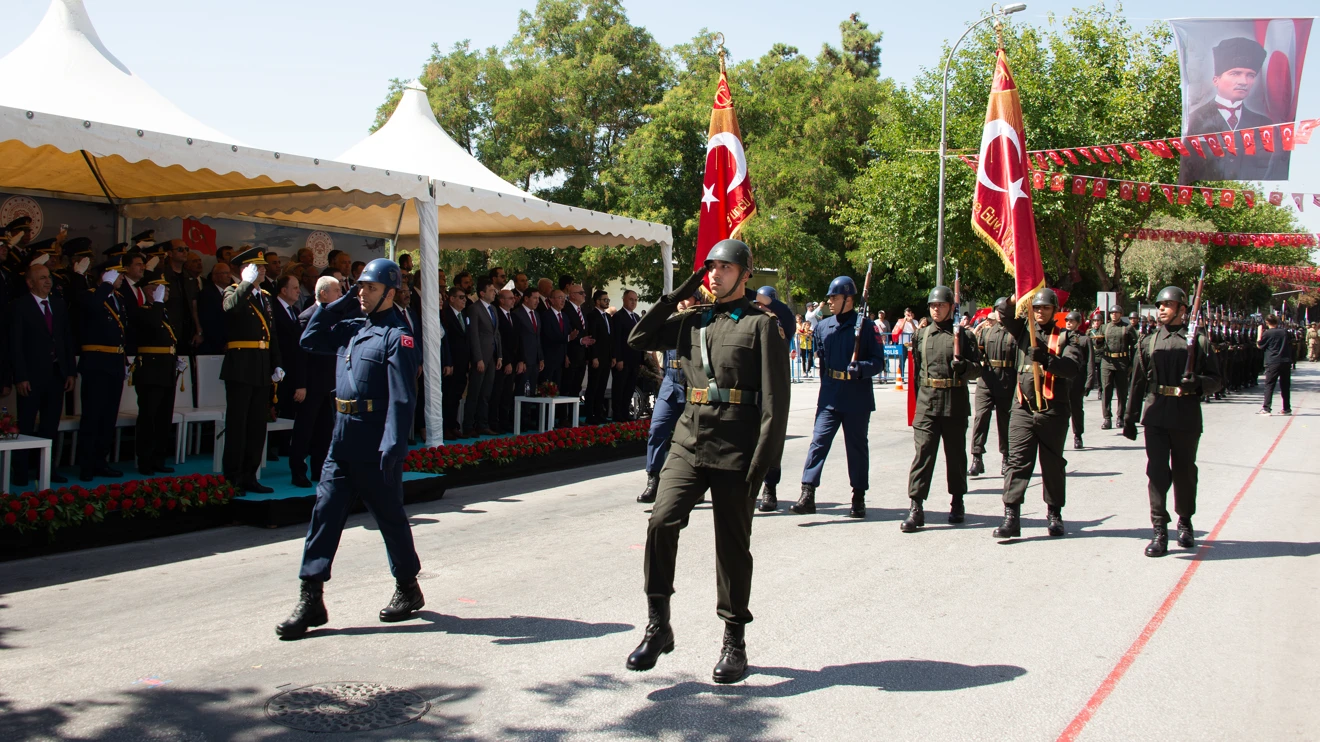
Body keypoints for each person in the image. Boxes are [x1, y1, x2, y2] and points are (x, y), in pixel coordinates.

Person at [624, 239, 790, 685]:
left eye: (724, 268)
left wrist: (760, 468)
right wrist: (680, 291)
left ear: (744, 274)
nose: (715, 274)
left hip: (737, 448)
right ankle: (659, 625)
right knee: (661, 521)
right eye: (710, 268)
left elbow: (776, 404)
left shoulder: (762, 326)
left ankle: (734, 639)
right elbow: (638, 337)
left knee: (731, 545)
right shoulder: (691, 319)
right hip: (689, 441)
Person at [276, 259, 424, 639]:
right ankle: (311, 597)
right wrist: (339, 304)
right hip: (341, 437)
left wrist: (394, 445)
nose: (361, 293)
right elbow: (309, 339)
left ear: (390, 293)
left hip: (374, 442)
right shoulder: (353, 326)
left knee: (389, 516)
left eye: (370, 288)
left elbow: (403, 398)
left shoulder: (398, 335)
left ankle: (408, 586)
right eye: (359, 287)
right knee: (323, 516)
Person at [1123, 286, 1223, 556]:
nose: (1162, 309)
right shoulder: (1148, 342)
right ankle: (1159, 530)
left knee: (1184, 472)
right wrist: (1129, 418)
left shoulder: (1198, 341)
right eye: (1160, 305)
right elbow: (1137, 382)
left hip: (1186, 413)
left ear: (1182, 309)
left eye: (1168, 304)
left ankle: (1185, 521)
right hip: (1156, 413)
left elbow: (1217, 380)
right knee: (1156, 473)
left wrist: (1199, 383)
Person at [788, 276, 884, 518]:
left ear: (848, 299)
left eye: (834, 297)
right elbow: (821, 357)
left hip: (857, 395)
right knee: (818, 442)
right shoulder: (823, 326)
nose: (830, 301)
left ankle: (858, 496)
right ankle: (807, 492)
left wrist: (862, 367)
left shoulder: (866, 326)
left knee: (856, 448)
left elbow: (879, 362)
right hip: (830, 396)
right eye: (829, 297)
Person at [993, 289, 1086, 540]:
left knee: (1052, 464)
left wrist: (1047, 358)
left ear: (1055, 310)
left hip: (1052, 411)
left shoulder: (1067, 338)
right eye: (1035, 308)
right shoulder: (1024, 330)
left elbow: (1072, 368)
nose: (1040, 312)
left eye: (1045, 308)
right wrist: (1019, 293)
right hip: (1023, 409)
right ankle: (1011, 516)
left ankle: (1054, 513)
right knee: (1017, 462)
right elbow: (1003, 310)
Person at [901, 286, 979, 531]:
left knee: (955, 457)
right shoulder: (921, 335)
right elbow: (917, 372)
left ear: (951, 307)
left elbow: (978, 368)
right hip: (927, 402)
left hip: (954, 402)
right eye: (933, 306)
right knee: (923, 454)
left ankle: (957, 502)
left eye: (941, 305)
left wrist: (964, 366)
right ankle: (916, 507)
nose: (936, 309)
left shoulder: (964, 336)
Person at [221, 247, 284, 494]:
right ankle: (232, 477)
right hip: (240, 366)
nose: (264, 271)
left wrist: (276, 362)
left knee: (257, 426)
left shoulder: (265, 296)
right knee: (238, 424)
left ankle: (249, 475)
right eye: (258, 267)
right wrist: (245, 283)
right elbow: (230, 309)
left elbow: (272, 334)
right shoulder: (234, 291)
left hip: (260, 366)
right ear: (246, 270)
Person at [1179, 37, 1285, 184]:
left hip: (1248, 200)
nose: (1243, 81)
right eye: (1235, 73)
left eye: (1250, 75)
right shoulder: (1195, 119)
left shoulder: (1265, 125)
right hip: (1202, 199)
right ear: (1216, 80)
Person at [8, 262, 77, 486]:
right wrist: (20, 376)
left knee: (50, 425)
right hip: (31, 377)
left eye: (49, 277)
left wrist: (70, 372)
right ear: (30, 283)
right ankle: (19, 471)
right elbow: (15, 345)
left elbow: (66, 340)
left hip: (56, 375)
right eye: (42, 278)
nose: (48, 281)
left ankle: (46, 469)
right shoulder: (19, 306)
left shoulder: (58, 305)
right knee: (26, 425)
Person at [637, 294, 696, 503]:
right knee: (657, 429)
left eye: (688, 299)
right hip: (671, 382)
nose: (682, 302)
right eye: (680, 299)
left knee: (694, 437)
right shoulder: (670, 322)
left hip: (693, 384)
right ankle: (653, 479)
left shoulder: (699, 324)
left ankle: (695, 484)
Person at [76, 257, 129, 482]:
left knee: (109, 416)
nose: (121, 278)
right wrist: (104, 286)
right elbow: (90, 310)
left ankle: (101, 461)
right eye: (117, 274)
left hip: (115, 362)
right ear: (105, 276)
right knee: (93, 415)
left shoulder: (118, 298)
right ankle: (87, 464)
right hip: (96, 363)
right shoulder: (91, 295)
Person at [289, 277, 342, 488]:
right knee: (304, 430)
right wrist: (300, 384)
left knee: (325, 430)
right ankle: (298, 470)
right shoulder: (306, 318)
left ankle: (320, 469)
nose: (340, 295)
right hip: (310, 385)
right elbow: (299, 355)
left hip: (329, 384)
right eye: (336, 291)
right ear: (323, 294)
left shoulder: (335, 317)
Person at [128, 272, 182, 476]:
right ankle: (145, 460)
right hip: (150, 370)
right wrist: (158, 303)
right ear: (150, 290)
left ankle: (159, 458)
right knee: (149, 417)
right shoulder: (143, 310)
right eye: (160, 288)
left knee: (163, 417)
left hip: (166, 369)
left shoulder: (163, 311)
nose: (165, 291)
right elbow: (151, 326)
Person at [968, 297, 1017, 478]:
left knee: (1005, 421)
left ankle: (1006, 458)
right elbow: (975, 352)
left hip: (1007, 379)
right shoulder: (986, 332)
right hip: (986, 379)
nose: (1000, 313)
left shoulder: (1015, 333)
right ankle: (977, 458)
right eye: (998, 309)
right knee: (981, 418)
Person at [272, 273, 308, 457]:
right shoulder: (273, 309)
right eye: (294, 288)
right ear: (283, 290)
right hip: (278, 369)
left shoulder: (294, 311)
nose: (298, 291)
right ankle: (273, 446)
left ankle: (285, 445)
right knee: (277, 407)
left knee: (289, 409)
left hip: (292, 370)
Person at [461, 277, 502, 436]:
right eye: (491, 291)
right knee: (475, 392)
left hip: (492, 356)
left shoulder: (493, 309)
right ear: (482, 293)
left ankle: (482, 424)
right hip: (481, 356)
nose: (494, 293)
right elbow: (474, 335)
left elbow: (496, 333)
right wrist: (477, 358)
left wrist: (499, 355)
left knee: (486, 392)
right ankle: (469, 425)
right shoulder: (475, 309)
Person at [1097, 306, 1137, 430]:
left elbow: (1134, 347)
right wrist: (1098, 342)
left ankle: (1120, 417)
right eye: (1112, 313)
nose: (1114, 315)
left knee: (1122, 391)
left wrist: (1132, 364)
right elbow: (1098, 345)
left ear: (1121, 314)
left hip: (1122, 361)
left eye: (1116, 313)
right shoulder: (1104, 327)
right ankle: (1107, 418)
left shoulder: (1127, 327)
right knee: (1106, 390)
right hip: (1107, 361)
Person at [440, 286, 470, 439]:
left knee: (457, 395)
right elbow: (446, 342)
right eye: (461, 297)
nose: (464, 300)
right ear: (451, 299)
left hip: (463, 363)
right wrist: (448, 362)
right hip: (451, 363)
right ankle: (445, 427)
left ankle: (453, 425)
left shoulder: (463, 315)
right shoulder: (446, 315)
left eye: (465, 297)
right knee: (448, 396)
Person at [492, 288, 521, 434]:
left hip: (514, 361)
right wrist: (507, 361)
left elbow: (518, 340)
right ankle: (494, 422)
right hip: (501, 361)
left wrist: (520, 360)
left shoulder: (514, 317)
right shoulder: (496, 315)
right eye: (510, 298)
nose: (513, 300)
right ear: (501, 300)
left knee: (508, 394)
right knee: (498, 392)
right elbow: (500, 340)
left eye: (513, 298)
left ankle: (505, 421)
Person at [611, 290, 643, 421]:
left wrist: (641, 359)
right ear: (624, 299)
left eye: (635, 300)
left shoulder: (637, 317)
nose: (633, 302)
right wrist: (618, 359)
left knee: (630, 388)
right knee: (620, 387)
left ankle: (625, 412)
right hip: (622, 360)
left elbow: (640, 339)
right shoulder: (618, 316)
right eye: (631, 299)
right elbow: (616, 339)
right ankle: (617, 414)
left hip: (634, 360)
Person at [1064, 310, 1094, 449]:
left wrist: (1089, 381)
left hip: (1078, 377)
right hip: (1064, 377)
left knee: (1076, 408)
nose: (1068, 323)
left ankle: (1078, 435)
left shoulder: (1085, 339)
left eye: (1071, 321)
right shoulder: (1062, 337)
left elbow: (1090, 361)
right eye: (1067, 321)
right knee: (1061, 409)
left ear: (1077, 323)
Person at [584, 289, 614, 424]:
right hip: (597, 357)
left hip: (607, 357)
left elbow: (610, 338)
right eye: (604, 300)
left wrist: (613, 356)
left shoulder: (607, 317)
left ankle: (599, 413)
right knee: (593, 386)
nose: (607, 302)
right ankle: (590, 415)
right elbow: (592, 336)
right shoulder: (592, 316)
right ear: (597, 301)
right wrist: (594, 357)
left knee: (602, 386)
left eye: (608, 300)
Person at [513, 288, 544, 411]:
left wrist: (540, 357)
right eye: (535, 298)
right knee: (521, 390)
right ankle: (517, 419)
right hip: (524, 360)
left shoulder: (536, 314)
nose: (538, 301)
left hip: (535, 360)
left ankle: (527, 418)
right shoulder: (517, 314)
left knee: (531, 391)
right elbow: (518, 339)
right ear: (526, 298)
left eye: (538, 298)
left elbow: (538, 338)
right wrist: (521, 359)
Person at [1257, 314, 1293, 415]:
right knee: (1285, 385)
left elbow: (1259, 345)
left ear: (1267, 323)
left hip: (1273, 361)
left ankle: (1266, 408)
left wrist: (1259, 333)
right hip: (1285, 361)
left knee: (1269, 385)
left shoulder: (1267, 333)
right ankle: (1286, 408)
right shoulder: (1284, 332)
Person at [562, 283, 591, 403]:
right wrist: (579, 340)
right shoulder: (566, 310)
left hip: (582, 355)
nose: (584, 295)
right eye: (581, 293)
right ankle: (564, 417)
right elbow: (567, 331)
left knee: (576, 387)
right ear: (572, 295)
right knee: (567, 386)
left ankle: (574, 416)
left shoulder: (582, 310)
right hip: (571, 353)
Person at [196, 262, 231, 354]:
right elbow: (208, 321)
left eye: (229, 273)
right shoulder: (207, 294)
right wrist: (222, 343)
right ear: (215, 276)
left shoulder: (231, 292)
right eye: (225, 273)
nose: (229, 276)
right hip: (214, 344)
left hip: (230, 343)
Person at [539, 289, 571, 388]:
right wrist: (569, 337)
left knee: (557, 387)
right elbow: (549, 336)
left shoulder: (565, 316)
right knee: (546, 387)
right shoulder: (546, 315)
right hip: (549, 357)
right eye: (560, 298)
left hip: (560, 358)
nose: (563, 300)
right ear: (552, 300)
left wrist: (566, 354)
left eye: (564, 298)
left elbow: (565, 337)